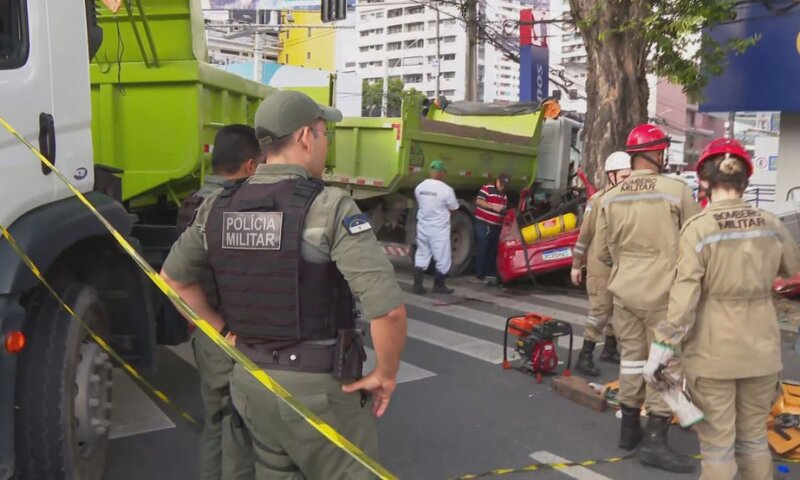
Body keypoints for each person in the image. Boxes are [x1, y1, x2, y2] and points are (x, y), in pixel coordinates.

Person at [160, 90, 408, 479]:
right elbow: (388, 310)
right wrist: (386, 374)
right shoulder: (329, 205)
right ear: (306, 137)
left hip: (250, 382)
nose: (326, 143)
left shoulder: (218, 206)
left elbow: (173, 279)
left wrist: (223, 330)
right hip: (316, 390)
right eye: (325, 133)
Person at [644, 138, 800, 480]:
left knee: (718, 448)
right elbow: (791, 269)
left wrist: (662, 346)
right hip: (762, 354)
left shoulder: (699, 229)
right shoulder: (771, 224)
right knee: (755, 441)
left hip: (713, 357)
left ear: (703, 180)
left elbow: (684, 298)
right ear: (745, 181)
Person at [595, 123, 701, 473]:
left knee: (631, 360)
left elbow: (606, 253)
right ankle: (655, 441)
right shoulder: (676, 190)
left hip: (624, 292)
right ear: (656, 154)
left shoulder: (609, 197)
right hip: (663, 295)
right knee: (663, 364)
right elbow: (695, 242)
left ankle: (628, 432)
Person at [175, 124, 263, 480]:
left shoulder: (192, 203)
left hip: (204, 332)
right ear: (251, 165)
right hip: (235, 334)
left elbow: (180, 276)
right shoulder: (242, 208)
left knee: (215, 425)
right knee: (245, 434)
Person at [571, 151, 632, 377]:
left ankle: (609, 348)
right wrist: (576, 264)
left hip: (620, 265)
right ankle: (585, 355)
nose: (628, 182)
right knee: (600, 310)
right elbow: (584, 235)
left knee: (617, 309)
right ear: (611, 176)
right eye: (624, 177)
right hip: (599, 265)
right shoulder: (598, 201)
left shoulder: (629, 202)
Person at [413, 159, 459, 294]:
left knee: (421, 254)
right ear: (441, 173)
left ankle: (417, 286)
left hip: (423, 227)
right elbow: (453, 208)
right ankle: (439, 286)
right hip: (439, 230)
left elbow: (420, 202)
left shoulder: (420, 187)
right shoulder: (446, 190)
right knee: (443, 257)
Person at [474, 174, 510, 282]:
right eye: (501, 184)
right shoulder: (487, 188)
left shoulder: (504, 196)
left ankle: (488, 272)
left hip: (496, 226)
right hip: (483, 222)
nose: (502, 187)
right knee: (483, 244)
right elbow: (479, 201)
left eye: (505, 186)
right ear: (497, 181)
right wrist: (493, 206)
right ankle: (479, 273)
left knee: (492, 248)